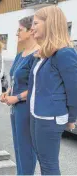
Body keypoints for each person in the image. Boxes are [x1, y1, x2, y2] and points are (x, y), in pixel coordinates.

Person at [29, 6, 77, 175]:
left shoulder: (65, 53)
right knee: (43, 160)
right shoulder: (45, 54)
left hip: (50, 118)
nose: (32, 27)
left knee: (49, 165)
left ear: (49, 24)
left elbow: (74, 90)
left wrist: (72, 117)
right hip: (37, 114)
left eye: (35, 23)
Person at [0, 16, 39, 175]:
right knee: (17, 146)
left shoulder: (37, 55)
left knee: (26, 149)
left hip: (26, 108)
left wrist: (16, 97)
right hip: (15, 108)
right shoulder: (19, 55)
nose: (17, 33)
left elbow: (37, 87)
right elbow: (15, 80)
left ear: (31, 31)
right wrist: (8, 92)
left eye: (20, 30)